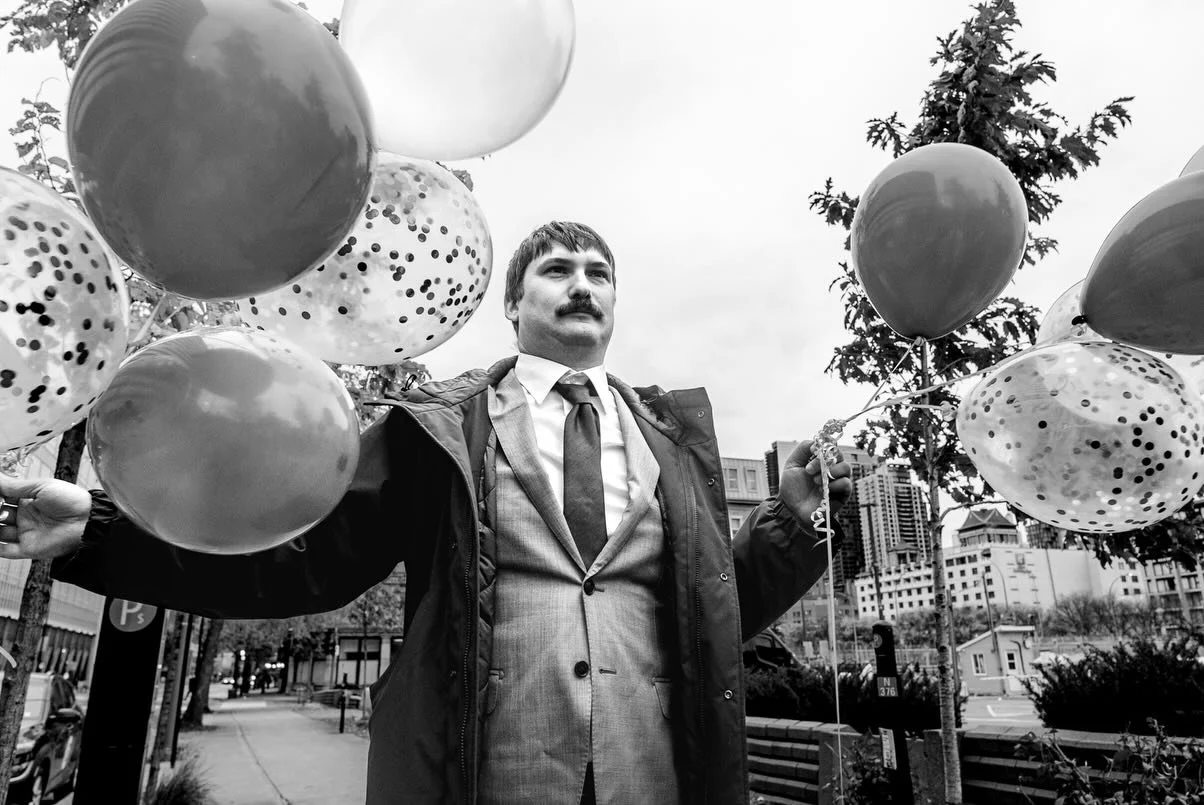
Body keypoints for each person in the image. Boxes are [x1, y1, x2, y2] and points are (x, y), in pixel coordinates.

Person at [0, 221, 852, 804]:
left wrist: (790, 523)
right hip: (484, 771)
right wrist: (97, 529)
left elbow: (713, 609)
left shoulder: (672, 441)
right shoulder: (440, 428)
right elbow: (305, 554)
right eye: (557, 270)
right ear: (513, 306)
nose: (582, 285)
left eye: (600, 274)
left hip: (654, 773)